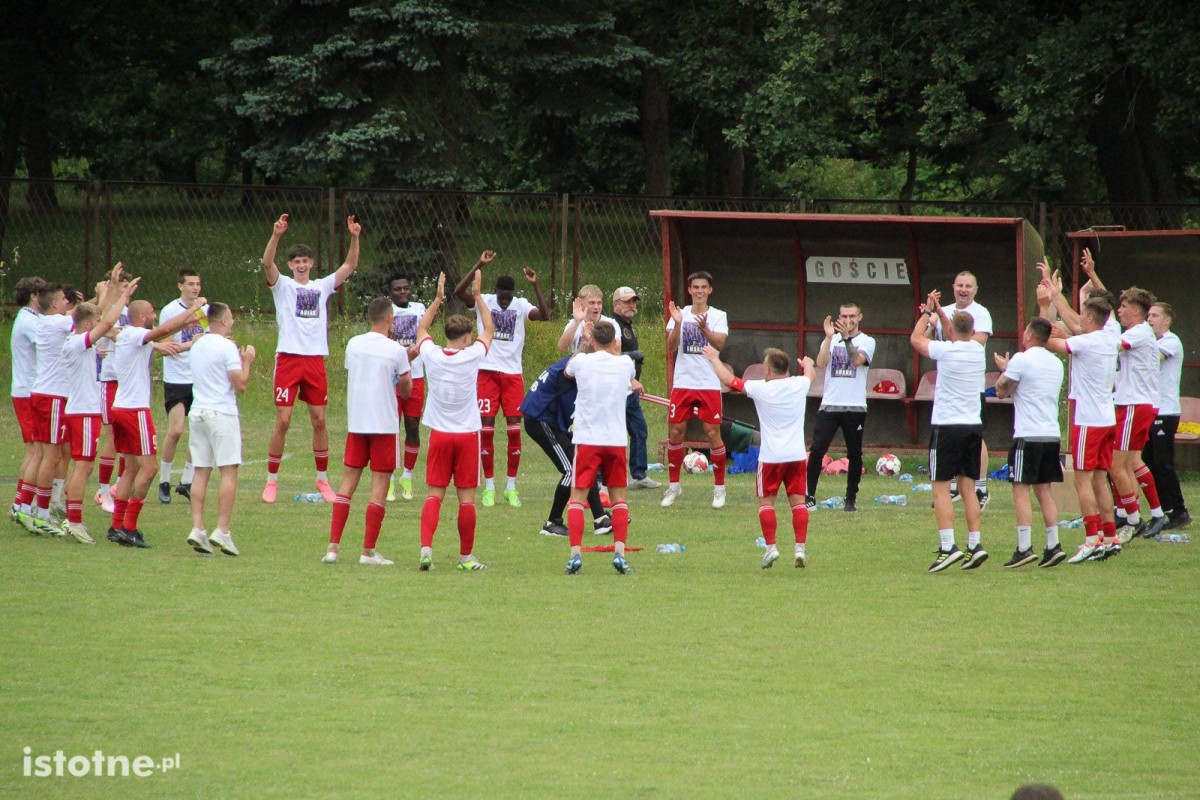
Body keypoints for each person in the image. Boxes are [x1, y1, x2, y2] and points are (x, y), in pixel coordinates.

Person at [260, 213, 362, 504]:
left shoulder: (322, 286)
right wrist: (277, 235)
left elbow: (350, 265)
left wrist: (354, 237)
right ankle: (271, 481)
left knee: (319, 420)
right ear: (291, 266)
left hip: (315, 360)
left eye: (306, 261)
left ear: (311, 263)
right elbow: (267, 263)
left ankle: (323, 479)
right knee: (284, 420)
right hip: (289, 359)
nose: (302, 265)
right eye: (297, 262)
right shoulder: (283, 286)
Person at [1075, 250, 1166, 540]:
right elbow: (1108, 316)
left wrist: (1074, 335)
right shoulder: (1135, 330)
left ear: (1136, 312)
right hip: (1138, 404)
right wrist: (1092, 274)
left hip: (1133, 404)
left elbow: (1105, 344)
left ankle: (1132, 518)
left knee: (1116, 466)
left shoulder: (1138, 332)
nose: (1120, 311)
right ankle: (1154, 514)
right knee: (1131, 463)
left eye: (1125, 307)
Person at [703, 345, 816, 569]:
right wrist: (809, 364)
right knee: (798, 503)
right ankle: (800, 549)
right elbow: (810, 374)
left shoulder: (762, 389)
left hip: (771, 457)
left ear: (768, 370)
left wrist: (714, 359)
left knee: (766, 503)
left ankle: (771, 548)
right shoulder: (799, 384)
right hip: (795, 455)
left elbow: (730, 381)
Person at [454, 251, 551, 508]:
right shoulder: (484, 300)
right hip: (486, 372)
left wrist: (535, 284)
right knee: (486, 430)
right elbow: (457, 292)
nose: (505, 302)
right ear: (495, 291)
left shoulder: (520, 304)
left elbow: (545, 315)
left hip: (512, 376)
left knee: (514, 431)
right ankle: (489, 487)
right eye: (502, 297)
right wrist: (478, 265)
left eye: (508, 297)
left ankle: (511, 487)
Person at [108, 294, 206, 548]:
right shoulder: (135, 334)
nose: (155, 314)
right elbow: (164, 330)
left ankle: (116, 525)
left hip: (121, 407)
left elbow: (165, 339)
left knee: (130, 469)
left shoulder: (130, 336)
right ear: (142, 317)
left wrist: (189, 327)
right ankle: (129, 528)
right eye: (152, 311)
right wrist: (194, 307)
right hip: (134, 411)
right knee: (149, 469)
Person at [320, 297, 411, 565]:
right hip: (383, 424)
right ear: (390, 318)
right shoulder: (396, 350)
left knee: (347, 483)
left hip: (357, 423)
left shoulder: (353, 344)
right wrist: (402, 367)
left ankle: (333, 548)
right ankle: (368, 551)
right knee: (379, 486)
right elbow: (406, 389)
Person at [1039, 275, 1123, 562]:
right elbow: (1073, 332)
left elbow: (1053, 345)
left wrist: (1049, 302)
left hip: (1088, 419)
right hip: (1107, 417)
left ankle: (1091, 539)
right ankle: (1110, 536)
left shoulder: (1089, 341)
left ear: (1090, 317)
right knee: (1100, 479)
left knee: (1082, 481)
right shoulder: (1111, 335)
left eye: (1083, 315)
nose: (1079, 319)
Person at [415, 271, 493, 571]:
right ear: (465, 338)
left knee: (434, 495)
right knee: (466, 500)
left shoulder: (431, 355)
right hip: (466, 436)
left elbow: (422, 328)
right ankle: (465, 557)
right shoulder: (472, 355)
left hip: (439, 435)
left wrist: (436, 300)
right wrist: (478, 297)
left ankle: (426, 550)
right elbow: (490, 328)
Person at [59, 268, 138, 544]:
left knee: (81, 466)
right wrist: (123, 295)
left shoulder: (78, 337)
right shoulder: (77, 342)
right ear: (85, 324)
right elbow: (104, 324)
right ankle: (75, 521)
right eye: (94, 322)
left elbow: (98, 316)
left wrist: (110, 289)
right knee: (83, 467)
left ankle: (71, 515)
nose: (99, 324)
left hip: (81, 411)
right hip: (82, 412)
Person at [910, 299, 988, 572]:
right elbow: (955, 333)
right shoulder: (978, 351)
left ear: (951, 331)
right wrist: (944, 314)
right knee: (968, 487)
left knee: (940, 488)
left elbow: (916, 339)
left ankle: (948, 547)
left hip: (947, 426)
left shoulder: (946, 351)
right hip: (972, 426)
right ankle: (975, 544)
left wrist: (929, 314)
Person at [562, 321, 641, 575]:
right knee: (619, 499)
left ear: (593, 340)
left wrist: (584, 345)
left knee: (577, 497)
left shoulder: (583, 361)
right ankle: (619, 553)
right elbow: (627, 373)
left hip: (587, 439)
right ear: (615, 341)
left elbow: (567, 371)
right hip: (615, 440)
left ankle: (575, 555)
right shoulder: (625, 364)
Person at [992, 316, 1066, 568]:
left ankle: (1024, 548)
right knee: (1044, 491)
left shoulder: (1021, 360)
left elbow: (1001, 391)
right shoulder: (1056, 363)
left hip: (1027, 435)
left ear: (1030, 335)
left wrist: (1006, 368)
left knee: (1020, 489)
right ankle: (1053, 544)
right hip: (1051, 434)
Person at [185, 303, 255, 558]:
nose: (233, 321)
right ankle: (222, 529)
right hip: (221, 412)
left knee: (201, 471)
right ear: (224, 321)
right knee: (228, 470)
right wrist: (247, 360)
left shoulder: (198, 344)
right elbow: (240, 384)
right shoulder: (226, 347)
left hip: (198, 412)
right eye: (231, 317)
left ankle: (197, 527)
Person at [521, 354, 614, 538]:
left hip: (551, 419)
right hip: (540, 419)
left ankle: (600, 519)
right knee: (572, 470)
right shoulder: (575, 366)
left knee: (583, 464)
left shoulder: (578, 360)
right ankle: (552, 522)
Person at [661, 271, 729, 509]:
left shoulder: (719, 315)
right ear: (689, 290)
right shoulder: (680, 314)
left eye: (703, 287)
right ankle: (674, 486)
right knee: (676, 432)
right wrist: (679, 323)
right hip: (683, 383)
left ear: (710, 290)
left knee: (712, 433)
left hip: (708, 383)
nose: (699, 291)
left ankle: (719, 490)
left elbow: (720, 344)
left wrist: (705, 330)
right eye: (695, 287)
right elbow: (671, 347)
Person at [930, 271, 993, 508]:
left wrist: (949, 335)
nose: (963, 289)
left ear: (975, 290)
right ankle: (955, 487)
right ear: (953, 287)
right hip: (947, 387)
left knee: (975, 436)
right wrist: (929, 318)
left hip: (971, 387)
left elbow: (977, 342)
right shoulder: (942, 311)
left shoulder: (981, 312)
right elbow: (925, 338)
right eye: (960, 285)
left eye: (968, 286)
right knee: (950, 436)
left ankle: (981, 487)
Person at [806, 302, 875, 512]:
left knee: (854, 454)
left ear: (860, 317)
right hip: (830, 404)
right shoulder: (832, 338)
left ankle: (850, 499)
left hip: (854, 406)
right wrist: (828, 338)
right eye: (844, 316)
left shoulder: (867, 341)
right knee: (817, 450)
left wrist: (846, 339)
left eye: (852, 316)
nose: (848, 320)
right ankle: (809, 495)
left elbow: (857, 361)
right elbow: (820, 363)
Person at [25, 282, 79, 535]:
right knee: (51, 455)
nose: (67, 302)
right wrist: (110, 292)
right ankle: (41, 513)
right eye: (64, 299)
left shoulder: (48, 323)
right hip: (53, 396)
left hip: (44, 395)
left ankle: (31, 507)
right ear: (56, 303)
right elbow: (91, 318)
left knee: (48, 454)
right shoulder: (56, 322)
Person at [157, 269, 208, 504]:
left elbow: (206, 336)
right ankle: (164, 481)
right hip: (177, 378)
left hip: (198, 378)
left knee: (199, 431)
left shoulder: (203, 310)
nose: (195, 288)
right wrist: (191, 344)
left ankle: (186, 482)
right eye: (190, 284)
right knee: (176, 431)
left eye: (197, 284)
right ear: (180, 286)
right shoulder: (170, 311)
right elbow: (166, 344)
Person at [93, 267, 134, 514]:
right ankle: (103, 489)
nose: (126, 291)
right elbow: (103, 330)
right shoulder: (108, 310)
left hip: (127, 381)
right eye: (122, 286)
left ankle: (119, 486)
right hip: (108, 380)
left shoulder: (128, 312)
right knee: (112, 438)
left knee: (127, 439)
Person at [1145, 301, 1189, 530]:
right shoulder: (1150, 341)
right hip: (1150, 410)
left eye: (1154, 315)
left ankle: (1179, 511)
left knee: (1163, 463)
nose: (1149, 319)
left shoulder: (1171, 341)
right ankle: (1164, 509)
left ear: (1167, 320)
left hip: (1166, 411)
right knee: (1148, 461)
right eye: (1148, 315)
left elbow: (1154, 359)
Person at [611, 286, 660, 490]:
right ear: (615, 305)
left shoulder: (628, 326)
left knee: (639, 430)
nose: (631, 305)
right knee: (615, 433)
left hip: (629, 391)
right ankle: (607, 477)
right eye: (626, 302)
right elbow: (610, 355)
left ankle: (639, 476)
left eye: (633, 302)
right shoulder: (613, 325)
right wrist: (632, 364)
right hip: (617, 390)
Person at [385, 273, 426, 502]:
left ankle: (407, 476)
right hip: (392, 378)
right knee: (392, 429)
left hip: (416, 375)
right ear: (390, 292)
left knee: (412, 427)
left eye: (405, 288)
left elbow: (425, 333)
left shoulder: (419, 308)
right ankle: (389, 478)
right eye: (397, 289)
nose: (402, 292)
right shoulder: (386, 311)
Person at [9, 275, 46, 525]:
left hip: (27, 391)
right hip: (27, 392)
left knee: (36, 451)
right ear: (34, 296)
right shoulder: (28, 321)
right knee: (37, 451)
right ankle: (22, 504)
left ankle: (21, 502)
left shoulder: (32, 318)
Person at [557, 284, 621, 354]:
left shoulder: (611, 323)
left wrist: (590, 338)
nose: (596, 307)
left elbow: (617, 350)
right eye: (592, 303)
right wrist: (577, 321)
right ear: (582, 304)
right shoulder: (575, 323)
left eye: (599, 303)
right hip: (579, 361)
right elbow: (561, 347)